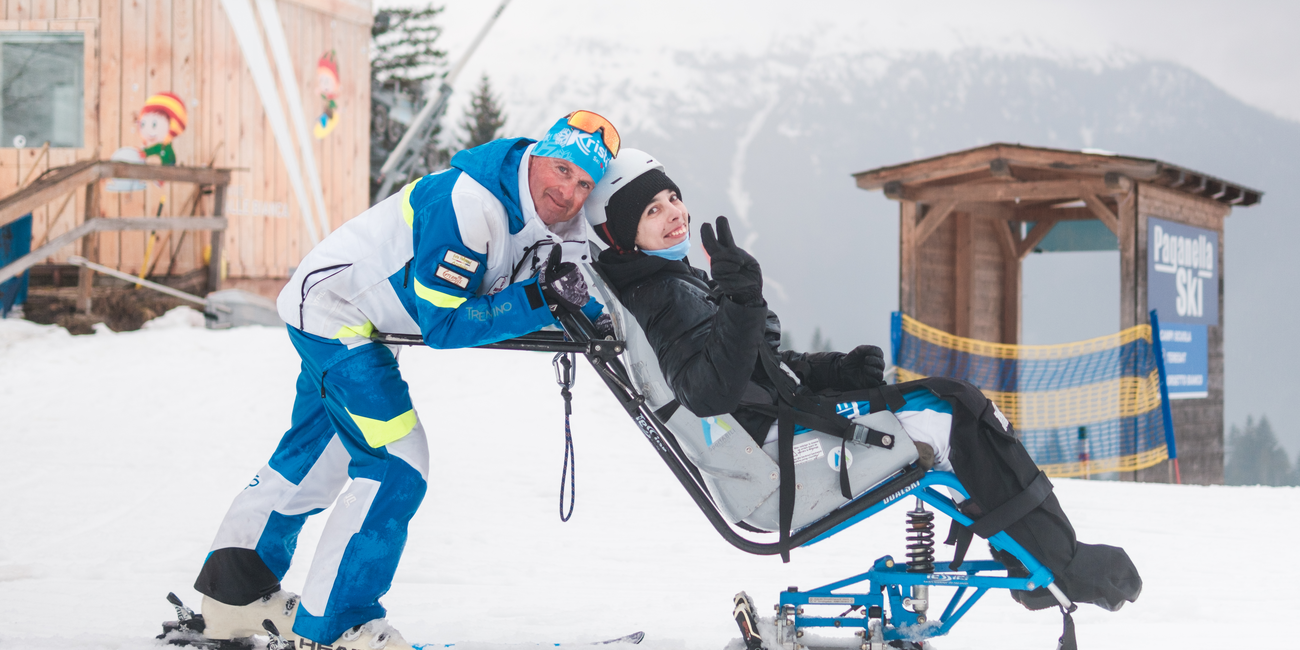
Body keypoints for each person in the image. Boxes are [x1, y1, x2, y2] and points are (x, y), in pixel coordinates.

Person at [586, 150, 1141, 616]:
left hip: (777, 432)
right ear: (623, 235)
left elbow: (755, 370)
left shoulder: (668, 281)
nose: (673, 214)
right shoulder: (661, 298)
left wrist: (834, 370)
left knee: (952, 405)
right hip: (778, 462)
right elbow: (710, 393)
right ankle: (1058, 565)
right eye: (652, 211)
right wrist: (741, 301)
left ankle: (1037, 558)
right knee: (953, 417)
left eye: (672, 198)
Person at [191, 112, 620, 650]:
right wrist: (541, 300)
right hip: (335, 312)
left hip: (367, 319)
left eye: (584, 183)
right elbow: (443, 325)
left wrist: (597, 305)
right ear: (536, 154)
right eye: (562, 169)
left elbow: (583, 276)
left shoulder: (553, 213)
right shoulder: (468, 204)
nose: (570, 192)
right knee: (397, 460)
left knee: (317, 461)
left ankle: (233, 596)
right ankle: (338, 625)